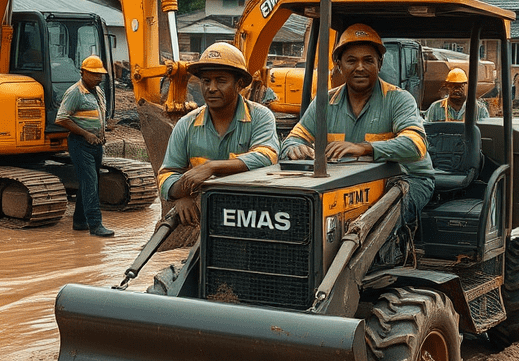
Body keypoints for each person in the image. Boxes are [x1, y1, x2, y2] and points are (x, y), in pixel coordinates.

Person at [281, 23, 435, 224]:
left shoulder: (399, 99)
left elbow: (416, 145)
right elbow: (292, 139)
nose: (359, 67)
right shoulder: (324, 103)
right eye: (351, 60)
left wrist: (363, 148)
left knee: (377, 219)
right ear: (339, 65)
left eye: (368, 60)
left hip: (407, 180)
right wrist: (295, 148)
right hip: (348, 184)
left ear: (379, 64)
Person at [158, 42, 279, 226]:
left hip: (252, 216)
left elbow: (267, 156)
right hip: (206, 218)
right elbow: (167, 175)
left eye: (221, 81)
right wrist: (181, 195)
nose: (211, 88)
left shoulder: (260, 117)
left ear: (239, 84)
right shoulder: (186, 125)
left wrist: (212, 167)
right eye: (206, 81)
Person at [56, 55, 113, 237]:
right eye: (94, 74)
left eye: (100, 75)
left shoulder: (99, 91)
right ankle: (95, 225)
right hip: (80, 144)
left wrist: (102, 131)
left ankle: (80, 221)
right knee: (90, 183)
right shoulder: (75, 92)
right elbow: (62, 118)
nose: (99, 78)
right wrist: (86, 133)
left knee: (88, 183)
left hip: (96, 145)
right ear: (83, 73)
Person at [424, 67, 489, 122]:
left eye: (460, 86)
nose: (456, 90)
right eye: (452, 86)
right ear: (447, 86)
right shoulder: (435, 108)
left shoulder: (479, 109)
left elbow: (485, 132)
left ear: (467, 86)